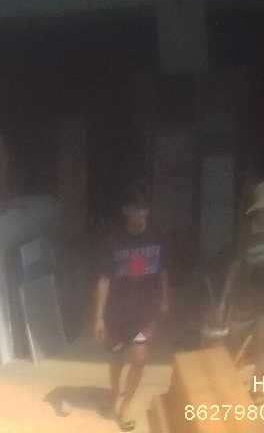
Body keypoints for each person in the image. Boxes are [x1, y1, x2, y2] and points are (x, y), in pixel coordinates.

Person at [92, 182, 170, 432]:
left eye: (143, 209)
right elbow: (104, 279)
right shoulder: (113, 240)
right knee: (116, 357)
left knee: (139, 359)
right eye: (134, 209)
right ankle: (115, 392)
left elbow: (163, 271)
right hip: (117, 312)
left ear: (148, 211)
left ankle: (125, 406)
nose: (139, 213)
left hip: (145, 313)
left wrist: (165, 297)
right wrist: (99, 317)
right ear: (126, 211)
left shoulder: (157, 237)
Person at [217, 180, 264, 396]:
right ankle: (224, 381)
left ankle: (257, 386)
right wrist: (224, 298)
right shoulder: (246, 233)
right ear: (258, 209)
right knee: (234, 340)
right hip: (246, 297)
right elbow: (235, 265)